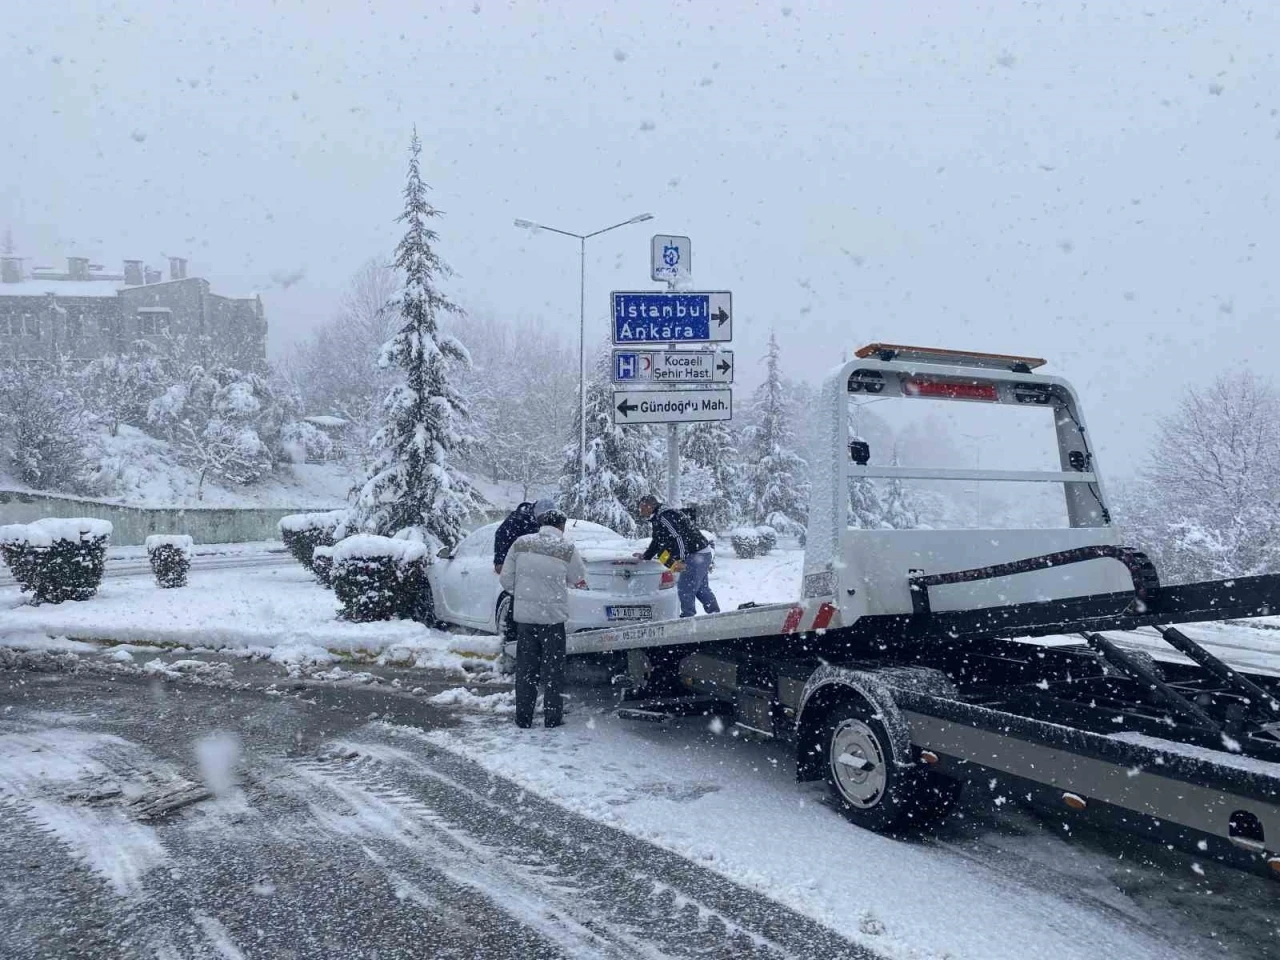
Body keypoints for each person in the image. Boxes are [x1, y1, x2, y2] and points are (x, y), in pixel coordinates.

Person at [499, 509, 587, 729]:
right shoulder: (566, 548)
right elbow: (577, 577)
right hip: (553, 621)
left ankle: (523, 718)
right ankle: (552, 718)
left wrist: (523, 595)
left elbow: (506, 579)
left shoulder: (520, 543)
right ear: (561, 526)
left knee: (526, 670)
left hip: (526, 621)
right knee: (553, 672)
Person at [635, 494, 720, 618]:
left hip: (695, 554)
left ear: (650, 506)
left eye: (642, 508)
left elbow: (679, 537)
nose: (640, 511)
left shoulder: (665, 517)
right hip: (701, 552)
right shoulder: (659, 517)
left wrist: (681, 559)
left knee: (685, 588)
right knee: (701, 589)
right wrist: (646, 556)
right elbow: (657, 541)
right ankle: (715, 616)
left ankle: (687, 619)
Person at [493, 497, 554, 656]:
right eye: (541, 519)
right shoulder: (518, 520)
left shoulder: (548, 524)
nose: (544, 522)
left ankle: (533, 643)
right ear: (536, 513)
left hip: (538, 569)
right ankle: (511, 642)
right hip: (518, 565)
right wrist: (500, 560)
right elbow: (501, 535)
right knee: (518, 601)